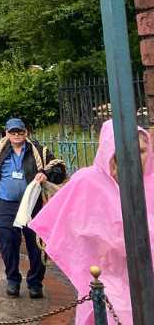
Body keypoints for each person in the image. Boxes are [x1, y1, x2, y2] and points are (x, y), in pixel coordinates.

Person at [30, 120, 153, 325]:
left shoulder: (149, 184)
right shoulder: (87, 181)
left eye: (141, 151)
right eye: (126, 151)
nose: (136, 157)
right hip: (107, 281)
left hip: (146, 281)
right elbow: (68, 226)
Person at [0, 117, 67, 299]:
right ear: (6, 133)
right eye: (13, 132)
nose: (17, 135)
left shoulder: (40, 151)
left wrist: (45, 173)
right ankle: (13, 279)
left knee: (36, 243)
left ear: (26, 132)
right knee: (6, 238)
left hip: (32, 203)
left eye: (20, 131)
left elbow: (60, 170)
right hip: (4, 203)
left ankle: (35, 283)